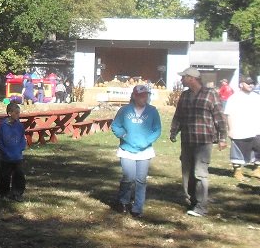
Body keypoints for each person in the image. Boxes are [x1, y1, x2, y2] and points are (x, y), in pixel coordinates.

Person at [169, 67, 228, 217]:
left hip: (204, 142)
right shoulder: (184, 95)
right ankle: (192, 200)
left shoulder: (211, 94)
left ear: (192, 78)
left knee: (200, 173)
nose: (181, 80)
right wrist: (174, 131)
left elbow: (220, 117)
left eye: (184, 77)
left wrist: (222, 138)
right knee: (187, 173)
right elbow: (178, 116)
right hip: (187, 140)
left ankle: (201, 207)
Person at [111, 85, 162, 218]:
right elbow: (116, 125)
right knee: (128, 177)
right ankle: (123, 202)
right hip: (127, 149)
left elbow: (157, 129)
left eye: (146, 95)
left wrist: (146, 141)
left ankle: (138, 207)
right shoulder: (124, 110)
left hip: (145, 151)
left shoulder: (152, 111)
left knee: (141, 179)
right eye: (141, 95)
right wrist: (123, 135)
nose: (144, 98)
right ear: (134, 96)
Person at [224, 77, 260, 181]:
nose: (251, 85)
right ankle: (238, 172)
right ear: (241, 84)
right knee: (239, 151)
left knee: (258, 150)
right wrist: (230, 129)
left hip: (256, 129)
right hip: (240, 130)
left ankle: (257, 170)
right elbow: (228, 114)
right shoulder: (234, 98)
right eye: (248, 83)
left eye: (252, 83)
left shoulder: (257, 97)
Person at [0, 102, 26, 201]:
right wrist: (5, 151)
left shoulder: (20, 126)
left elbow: (22, 139)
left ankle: (17, 193)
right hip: (6, 156)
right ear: (9, 113)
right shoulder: (3, 126)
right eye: (16, 113)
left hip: (17, 156)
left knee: (19, 175)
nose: (18, 115)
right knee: (4, 176)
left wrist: (21, 148)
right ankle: (4, 193)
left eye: (19, 113)